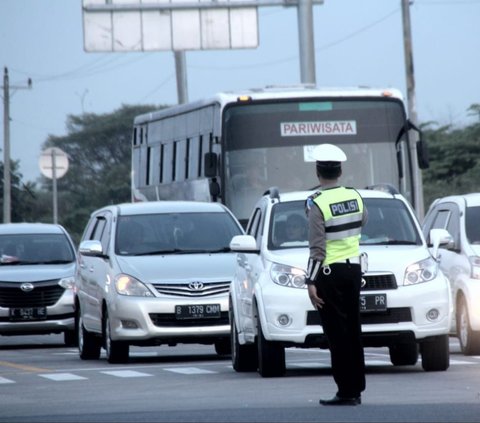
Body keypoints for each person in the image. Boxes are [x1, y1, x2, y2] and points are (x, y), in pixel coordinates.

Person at [305, 143, 368, 406]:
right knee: (353, 330)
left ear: (318, 174)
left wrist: (310, 281)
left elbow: (317, 248)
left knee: (336, 333)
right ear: (340, 172)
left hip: (329, 273)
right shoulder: (355, 196)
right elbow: (363, 222)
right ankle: (356, 388)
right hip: (354, 270)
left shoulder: (316, 202)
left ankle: (345, 391)